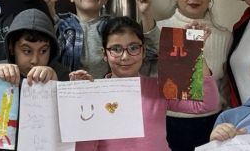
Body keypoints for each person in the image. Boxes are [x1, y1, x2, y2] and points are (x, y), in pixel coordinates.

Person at [74, 16, 220, 151]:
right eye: (116, 49)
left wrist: (196, 51)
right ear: (104, 54)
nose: (125, 57)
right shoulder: (94, 95)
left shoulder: (160, 87)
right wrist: (78, 101)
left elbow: (206, 104)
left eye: (133, 48)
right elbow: (84, 148)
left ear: (144, 51)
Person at [157, 0, 233, 151]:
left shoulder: (224, 36)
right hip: (168, 123)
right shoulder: (159, 30)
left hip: (212, 124)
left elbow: (224, 87)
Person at [41, 0, 158, 79]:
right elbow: (44, 55)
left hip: (110, 89)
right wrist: (48, 11)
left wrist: (145, 12)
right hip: (68, 89)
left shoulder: (115, 27)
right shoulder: (60, 24)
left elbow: (153, 53)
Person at [0, 8, 69, 84]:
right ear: (11, 47)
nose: (35, 60)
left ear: (52, 49)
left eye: (43, 51)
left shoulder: (61, 74)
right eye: (27, 51)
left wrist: (56, 84)